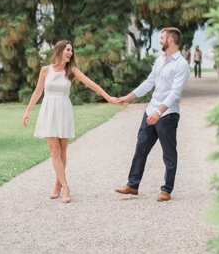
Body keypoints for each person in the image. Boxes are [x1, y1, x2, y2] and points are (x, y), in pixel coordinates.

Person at [23, 40, 119, 203]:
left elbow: (91, 84)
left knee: (62, 151)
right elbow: (38, 92)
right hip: (48, 111)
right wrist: (27, 111)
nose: (71, 53)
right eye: (68, 50)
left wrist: (108, 98)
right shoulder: (45, 70)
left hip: (64, 111)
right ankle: (66, 186)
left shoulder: (71, 70)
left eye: (71, 50)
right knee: (54, 151)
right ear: (59, 50)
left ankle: (57, 184)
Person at [114, 27, 190, 201]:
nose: (160, 40)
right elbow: (149, 83)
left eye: (162, 37)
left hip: (167, 114)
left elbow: (175, 93)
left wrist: (159, 112)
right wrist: (128, 97)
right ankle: (133, 185)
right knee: (141, 148)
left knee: (169, 154)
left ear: (170, 40)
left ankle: (166, 190)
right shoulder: (160, 60)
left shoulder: (181, 65)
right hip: (151, 110)